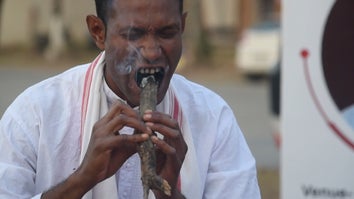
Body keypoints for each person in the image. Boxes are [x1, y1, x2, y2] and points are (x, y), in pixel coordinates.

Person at [0, 0, 260, 198]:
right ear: (98, 32)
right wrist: (83, 179)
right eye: (133, 35)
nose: (151, 51)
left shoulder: (213, 118)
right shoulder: (35, 114)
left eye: (167, 33)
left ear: (182, 26)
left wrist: (167, 191)